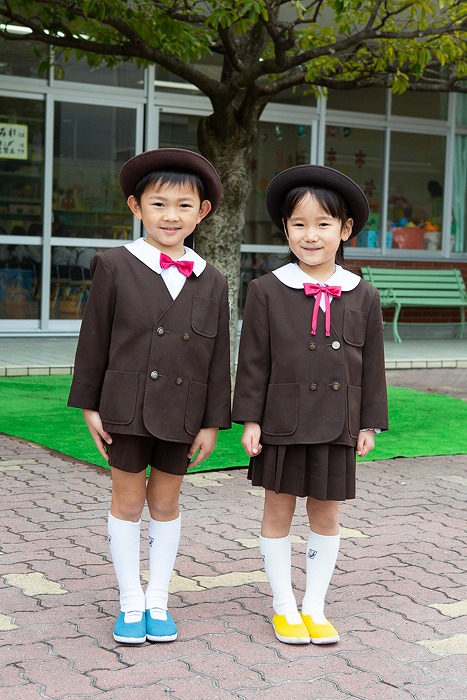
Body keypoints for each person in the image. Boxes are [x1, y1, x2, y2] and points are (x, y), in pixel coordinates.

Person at [68, 148, 231, 645]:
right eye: (159, 204)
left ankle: (158, 600)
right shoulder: (115, 265)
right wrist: (90, 404)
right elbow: (93, 338)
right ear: (136, 207)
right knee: (127, 501)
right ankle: (129, 602)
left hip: (182, 412)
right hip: (125, 405)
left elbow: (218, 353)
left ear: (201, 212)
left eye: (184, 205)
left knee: (166, 502)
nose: (171, 216)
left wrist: (211, 420)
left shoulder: (213, 279)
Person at [232, 164, 388, 646]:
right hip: (282, 420)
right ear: (285, 229)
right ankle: (283, 607)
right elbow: (254, 360)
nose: (310, 235)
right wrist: (251, 419)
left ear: (344, 230)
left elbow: (372, 367)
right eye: (298, 224)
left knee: (326, 514)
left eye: (323, 224)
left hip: (338, 423)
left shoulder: (362, 294)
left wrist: (369, 424)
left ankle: (314, 606)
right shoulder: (266, 289)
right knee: (277, 511)